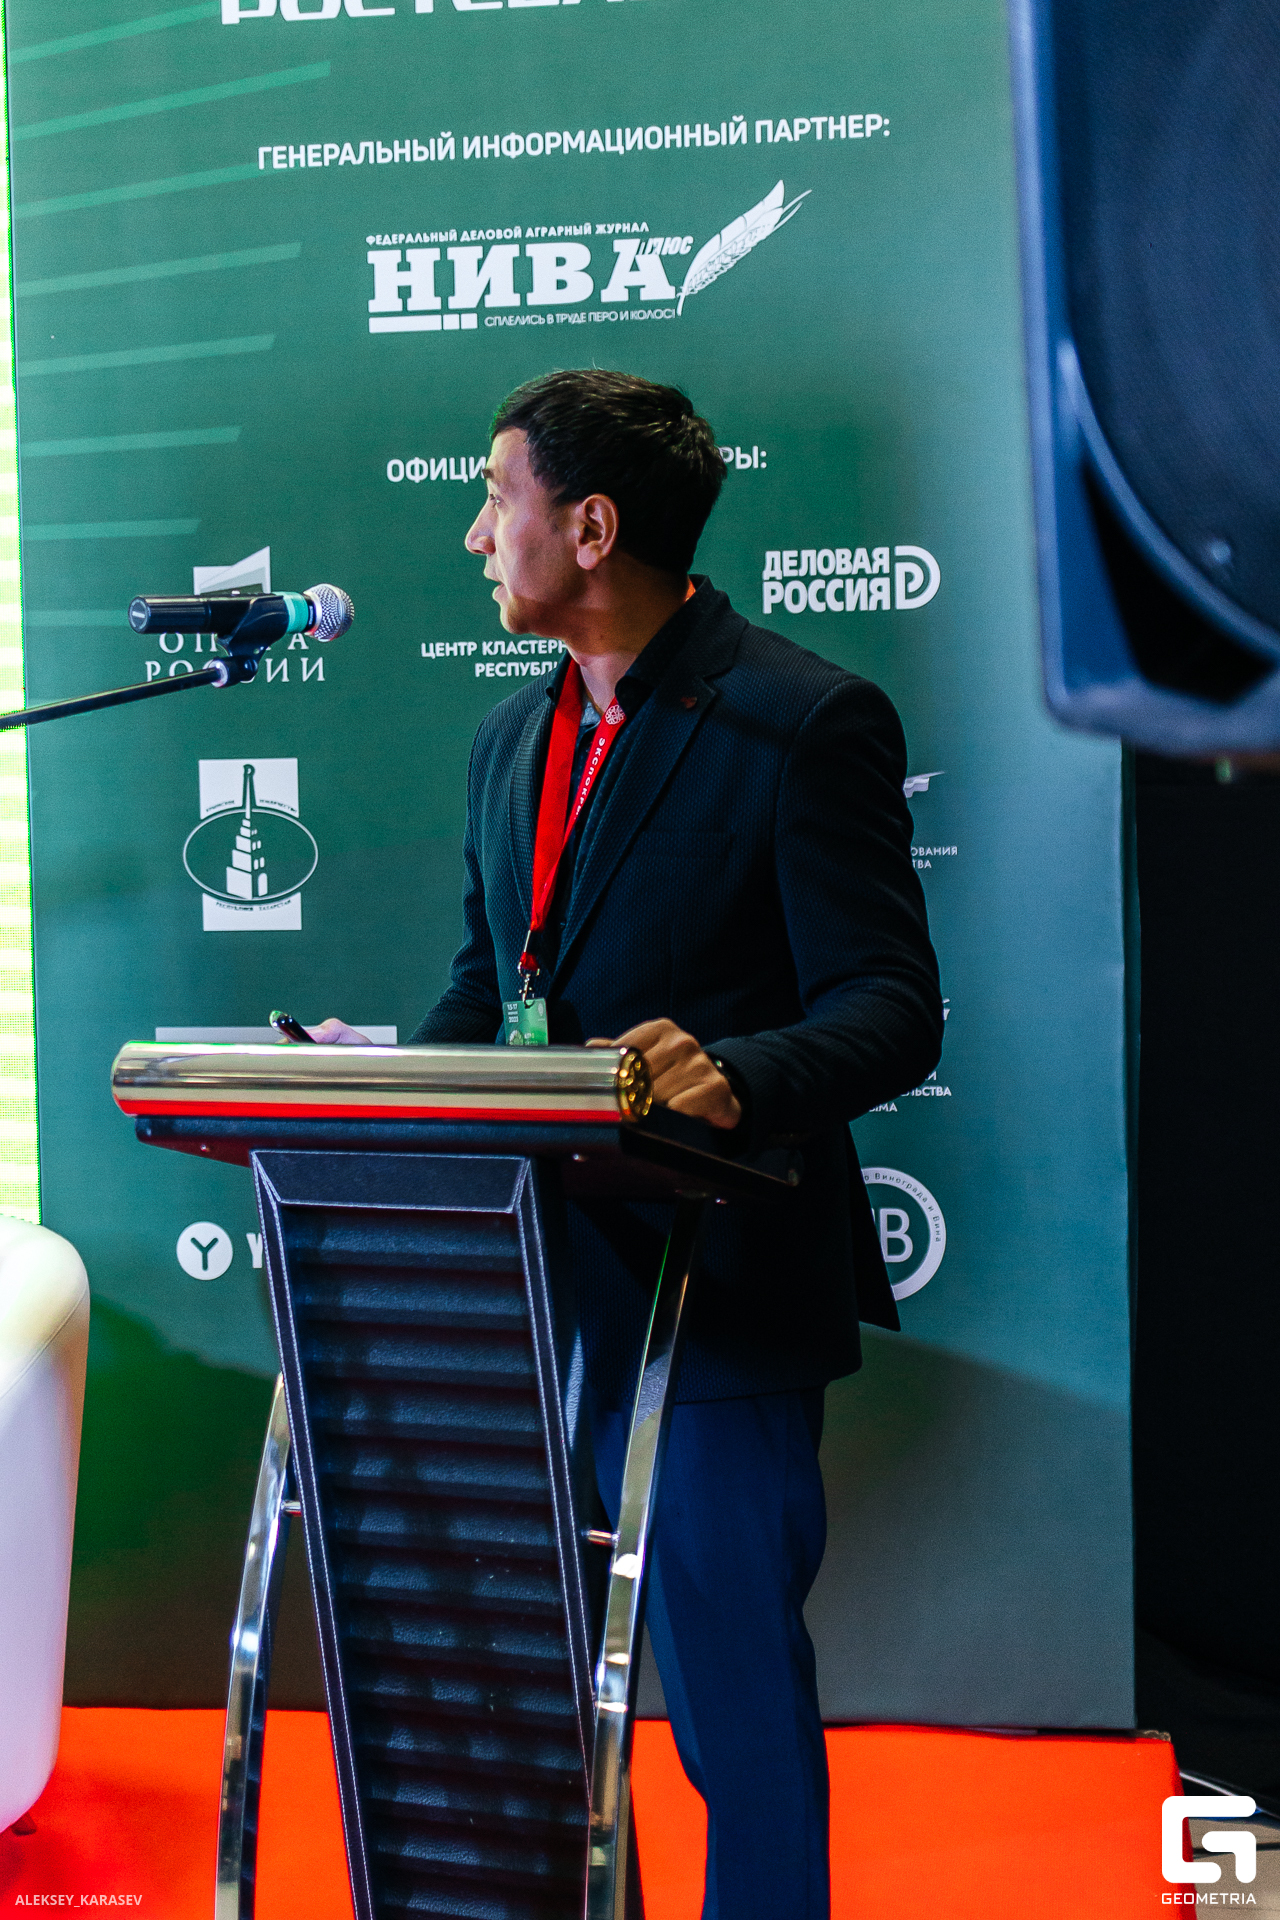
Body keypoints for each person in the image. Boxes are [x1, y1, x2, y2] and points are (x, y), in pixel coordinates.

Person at [308, 369, 943, 1920]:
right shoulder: (505, 743)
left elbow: (892, 1011)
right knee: (525, 1698)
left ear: (591, 528)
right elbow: (490, 992)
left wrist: (732, 1073)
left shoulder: (805, 719)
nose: (476, 536)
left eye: (497, 498)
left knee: (735, 1708)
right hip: (522, 1298)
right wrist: (386, 1083)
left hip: (715, 1293)